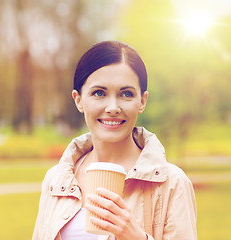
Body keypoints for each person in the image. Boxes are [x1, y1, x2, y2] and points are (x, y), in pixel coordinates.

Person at [32, 40, 197, 240]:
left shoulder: (172, 183)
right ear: (78, 100)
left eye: (126, 94)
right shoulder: (56, 180)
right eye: (99, 93)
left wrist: (136, 237)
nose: (113, 107)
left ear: (142, 101)